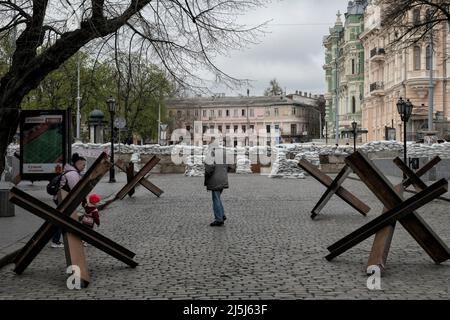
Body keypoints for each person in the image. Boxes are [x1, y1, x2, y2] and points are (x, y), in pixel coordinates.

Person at [51, 153, 87, 248]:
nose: (84, 167)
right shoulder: (73, 174)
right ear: (78, 163)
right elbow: (76, 190)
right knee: (63, 220)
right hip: (62, 199)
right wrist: (84, 201)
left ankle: (57, 240)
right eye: (83, 165)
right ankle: (56, 241)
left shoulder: (72, 172)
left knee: (61, 219)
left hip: (62, 198)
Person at [204, 140, 229, 227]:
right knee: (217, 198)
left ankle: (219, 219)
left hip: (214, 179)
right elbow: (229, 166)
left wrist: (207, 177)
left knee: (216, 199)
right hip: (223, 178)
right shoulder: (224, 152)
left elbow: (209, 168)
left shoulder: (211, 153)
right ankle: (221, 215)